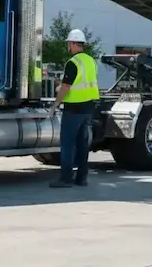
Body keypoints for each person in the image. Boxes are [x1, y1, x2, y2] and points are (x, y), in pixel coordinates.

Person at [49, 28, 100, 188]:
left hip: (74, 109)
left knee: (67, 145)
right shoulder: (90, 61)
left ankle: (65, 179)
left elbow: (66, 87)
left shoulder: (73, 63)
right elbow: (85, 83)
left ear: (72, 43)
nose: (68, 47)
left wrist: (55, 103)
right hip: (88, 108)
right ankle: (81, 178)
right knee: (82, 144)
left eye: (68, 44)